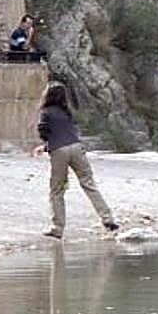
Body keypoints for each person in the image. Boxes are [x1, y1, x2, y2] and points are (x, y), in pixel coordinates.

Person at [35, 83, 119, 239]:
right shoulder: (66, 111)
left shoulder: (45, 112)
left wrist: (46, 146)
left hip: (59, 150)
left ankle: (57, 228)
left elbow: (44, 132)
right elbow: (67, 132)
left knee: (57, 190)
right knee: (89, 184)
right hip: (77, 147)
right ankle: (107, 219)